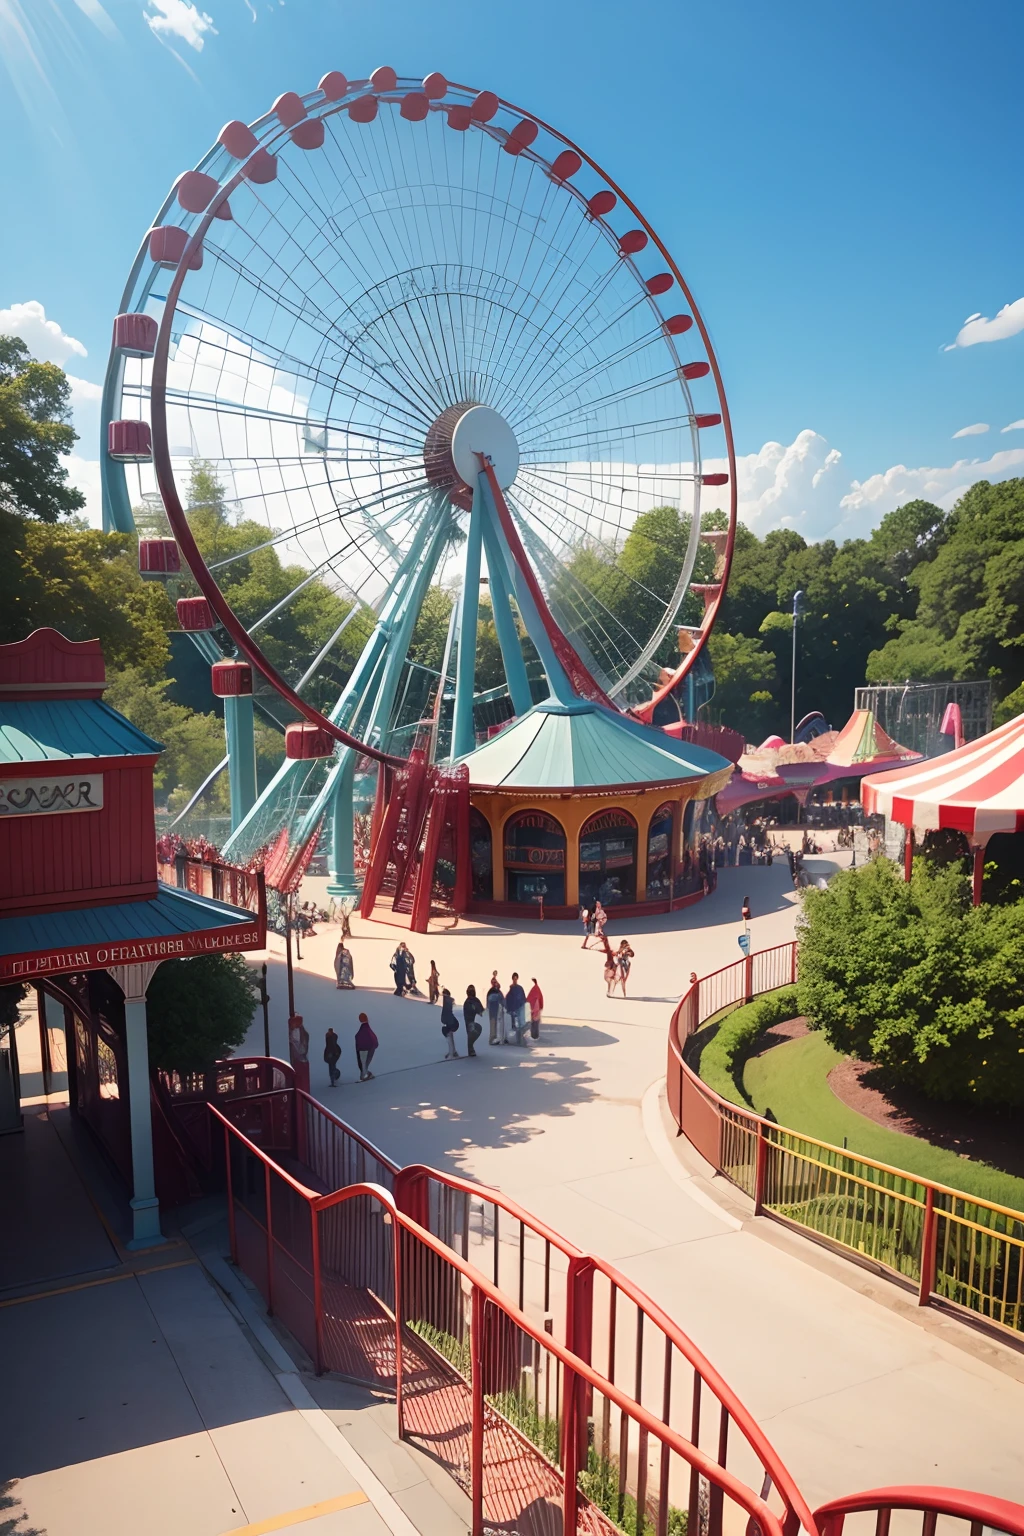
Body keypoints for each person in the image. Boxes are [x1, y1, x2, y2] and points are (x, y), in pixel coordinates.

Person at [505, 973, 527, 1046]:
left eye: (516, 978)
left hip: (520, 1008)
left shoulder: (519, 988)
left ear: (517, 979)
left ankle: (520, 1041)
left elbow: (523, 998)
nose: (515, 980)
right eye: (514, 978)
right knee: (517, 1026)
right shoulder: (512, 988)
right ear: (512, 979)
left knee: (521, 1025)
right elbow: (509, 998)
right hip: (515, 1009)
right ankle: (519, 1041)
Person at [354, 1013, 378, 1081]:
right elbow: (373, 1038)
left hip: (362, 1048)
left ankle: (364, 1075)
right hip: (367, 1047)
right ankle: (365, 1075)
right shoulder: (366, 1028)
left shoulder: (363, 1029)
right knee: (364, 1063)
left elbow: (358, 1036)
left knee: (363, 1063)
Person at [463, 985, 484, 1057]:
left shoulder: (475, 1000)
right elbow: (472, 1009)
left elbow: (480, 1009)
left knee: (477, 1029)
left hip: (471, 1022)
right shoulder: (468, 1002)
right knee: (472, 1030)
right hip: (469, 1023)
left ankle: (471, 1048)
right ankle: (470, 1048)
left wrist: (479, 1011)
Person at [440, 988, 460, 1059]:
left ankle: (452, 1053)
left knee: (448, 1035)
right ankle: (453, 1052)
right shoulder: (447, 1000)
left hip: (450, 1022)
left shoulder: (446, 1000)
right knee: (450, 1035)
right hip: (451, 1022)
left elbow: (446, 1013)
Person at [486, 974, 504, 1045]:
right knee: (493, 1025)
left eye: (495, 982)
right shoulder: (491, 991)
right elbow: (488, 1001)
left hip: (498, 1010)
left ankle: (497, 1039)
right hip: (493, 1011)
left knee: (498, 1025)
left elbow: (502, 1000)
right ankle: (492, 1039)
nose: (495, 984)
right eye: (493, 982)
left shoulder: (498, 992)